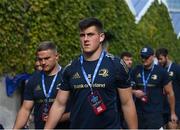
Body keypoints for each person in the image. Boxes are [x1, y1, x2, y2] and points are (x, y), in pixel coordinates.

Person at [45, 17, 137, 129]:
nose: (85, 39)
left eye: (90, 34)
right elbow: (59, 104)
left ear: (101, 37)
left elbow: (127, 103)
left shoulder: (117, 65)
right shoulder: (71, 68)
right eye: (82, 35)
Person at [13, 41, 70, 129]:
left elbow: (78, 110)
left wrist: (57, 118)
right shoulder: (33, 79)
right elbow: (25, 109)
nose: (43, 62)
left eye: (47, 58)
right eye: (40, 59)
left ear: (57, 57)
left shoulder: (67, 76)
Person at [131, 46, 178, 129]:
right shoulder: (136, 70)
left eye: (146, 57)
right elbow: (126, 89)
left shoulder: (161, 72)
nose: (144, 59)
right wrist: (134, 92)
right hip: (139, 115)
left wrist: (173, 113)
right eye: (142, 56)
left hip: (155, 116)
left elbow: (170, 93)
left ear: (153, 57)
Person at [156, 48, 180, 129]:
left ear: (167, 57)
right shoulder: (158, 69)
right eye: (158, 59)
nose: (159, 61)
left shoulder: (176, 69)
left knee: (171, 126)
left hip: (175, 106)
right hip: (161, 106)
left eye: (161, 59)